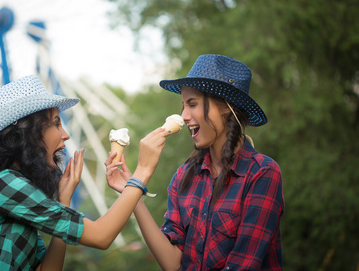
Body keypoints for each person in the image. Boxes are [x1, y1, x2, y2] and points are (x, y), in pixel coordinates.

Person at [0, 75, 169, 270]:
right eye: (56, 123)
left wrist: (64, 203)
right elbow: (101, 236)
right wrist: (142, 171)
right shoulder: (2, 184)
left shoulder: (13, 190)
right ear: (28, 132)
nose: (65, 134)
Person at [105, 54, 284, 270]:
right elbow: (172, 263)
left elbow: (243, 266)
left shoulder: (262, 173)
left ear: (226, 106)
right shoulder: (183, 177)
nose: (184, 116)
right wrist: (133, 190)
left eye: (192, 104)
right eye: (183, 106)